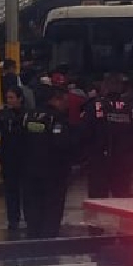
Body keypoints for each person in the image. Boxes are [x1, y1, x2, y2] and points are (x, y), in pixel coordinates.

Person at [21, 86, 78, 239]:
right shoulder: (57, 118)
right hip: (54, 173)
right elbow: (62, 144)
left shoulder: (29, 116)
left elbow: (20, 141)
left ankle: (33, 238)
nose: (66, 104)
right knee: (52, 210)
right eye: (64, 100)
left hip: (31, 171)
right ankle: (48, 241)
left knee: (33, 208)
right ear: (54, 100)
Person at [84, 73, 133, 199]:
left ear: (105, 86)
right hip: (122, 158)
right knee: (121, 197)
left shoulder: (95, 104)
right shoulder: (129, 106)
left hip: (100, 158)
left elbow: (86, 130)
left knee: (99, 198)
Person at [0, 86, 28, 231]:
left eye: (12, 97)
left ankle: (29, 217)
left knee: (26, 190)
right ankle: (13, 219)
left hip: (25, 158)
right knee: (11, 190)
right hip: (8, 158)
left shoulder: (27, 115)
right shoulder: (2, 115)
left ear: (20, 98)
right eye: (8, 98)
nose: (9, 101)